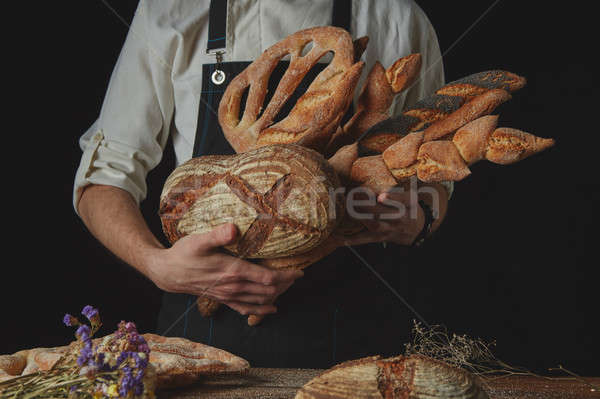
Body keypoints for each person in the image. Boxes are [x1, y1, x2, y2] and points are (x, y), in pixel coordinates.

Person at [73, 0, 451, 368]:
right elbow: (103, 178)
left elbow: (436, 175)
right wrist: (157, 264)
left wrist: (419, 218)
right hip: (201, 349)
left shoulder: (397, 17)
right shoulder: (171, 11)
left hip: (358, 347)